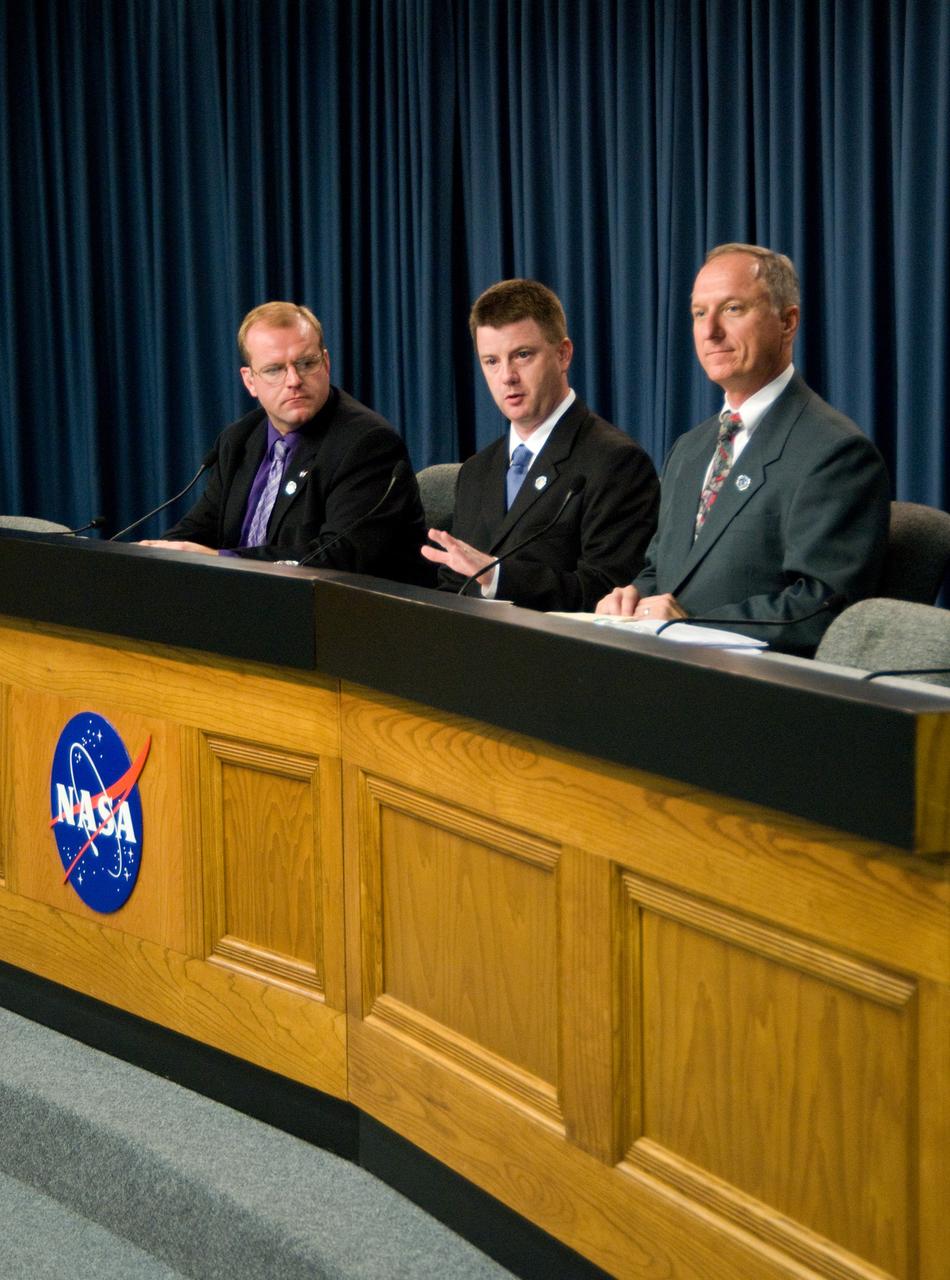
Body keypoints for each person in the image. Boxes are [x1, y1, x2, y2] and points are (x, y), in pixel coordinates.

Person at [596, 244, 890, 655]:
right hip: (668, 673)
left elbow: (821, 608)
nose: (710, 330)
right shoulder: (690, 449)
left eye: (732, 309)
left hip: (762, 692)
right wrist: (630, 599)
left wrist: (687, 626)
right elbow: (662, 572)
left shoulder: (836, 453)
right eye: (699, 313)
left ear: (788, 322)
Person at [141, 302, 427, 583]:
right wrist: (159, 555)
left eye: (306, 363)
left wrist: (222, 560)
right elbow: (198, 529)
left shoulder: (367, 443)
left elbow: (339, 558)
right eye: (274, 369)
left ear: (326, 363)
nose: (294, 380)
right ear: (250, 381)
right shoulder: (240, 439)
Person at [422, 279, 659, 611]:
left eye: (522, 355)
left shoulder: (616, 462)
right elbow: (454, 586)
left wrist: (497, 579)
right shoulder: (477, 470)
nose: (507, 376)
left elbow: (607, 592)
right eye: (491, 361)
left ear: (563, 355)